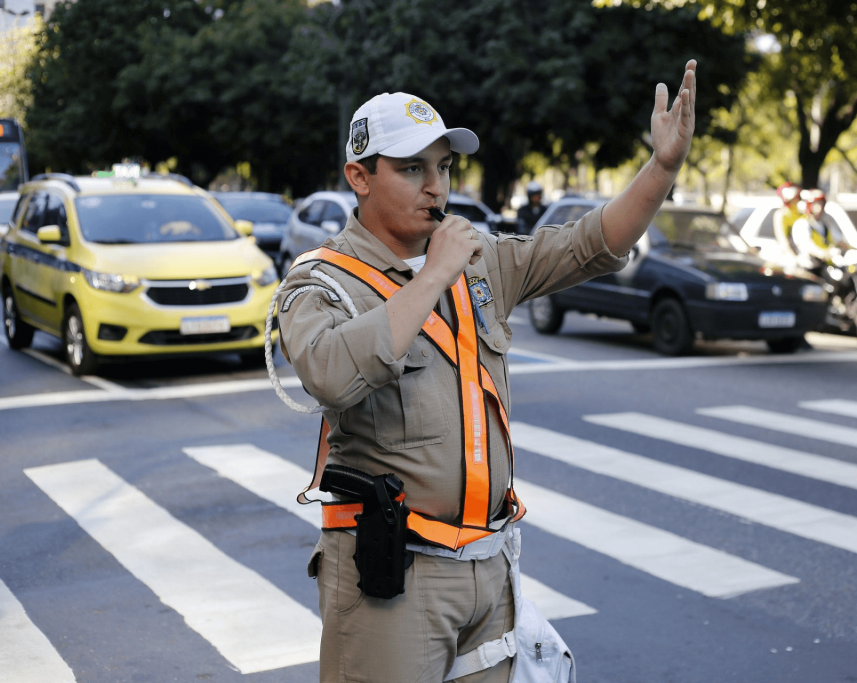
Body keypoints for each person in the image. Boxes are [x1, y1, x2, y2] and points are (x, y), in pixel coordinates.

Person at [275, 62, 696, 683]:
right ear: (358, 177)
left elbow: (589, 244)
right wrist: (433, 274)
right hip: (391, 577)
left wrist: (659, 170)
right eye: (412, 168)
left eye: (443, 167)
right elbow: (331, 375)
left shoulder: (480, 263)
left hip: (488, 565)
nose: (435, 188)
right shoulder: (319, 281)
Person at [790, 189, 842, 274]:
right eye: (816, 204)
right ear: (809, 205)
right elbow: (806, 244)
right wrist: (824, 254)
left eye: (821, 204)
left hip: (824, 267)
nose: (819, 207)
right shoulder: (802, 223)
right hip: (808, 268)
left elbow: (838, 240)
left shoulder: (824, 224)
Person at [773, 181, 803, 263]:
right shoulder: (781, 215)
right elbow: (783, 240)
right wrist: (795, 258)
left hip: (802, 257)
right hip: (789, 259)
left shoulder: (800, 214)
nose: (796, 200)